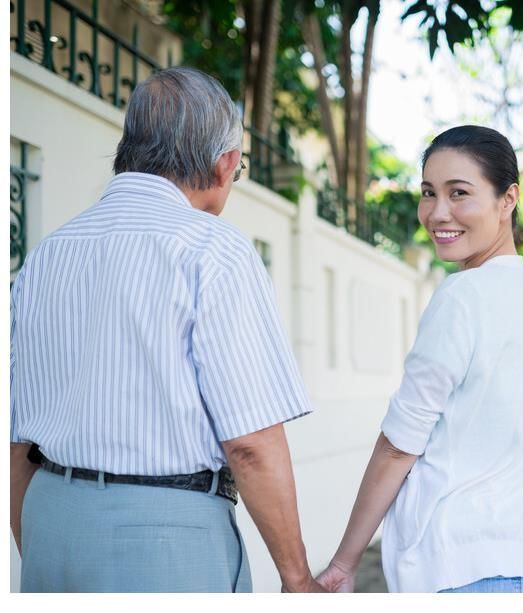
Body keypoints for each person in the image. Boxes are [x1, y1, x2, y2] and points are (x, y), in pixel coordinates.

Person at [9, 67, 323, 593]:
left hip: (50, 520)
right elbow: (251, 443)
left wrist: (39, 540)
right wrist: (296, 578)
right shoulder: (213, 250)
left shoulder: (47, 255)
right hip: (165, 540)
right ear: (224, 165)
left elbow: (18, 438)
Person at [315, 125, 523, 593]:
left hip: (466, 570)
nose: (438, 213)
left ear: (507, 199)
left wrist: (344, 562)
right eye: (429, 193)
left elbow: (400, 444)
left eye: (460, 193)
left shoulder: (464, 295)